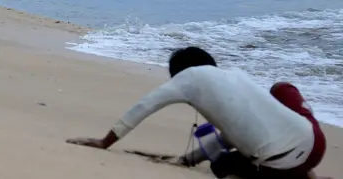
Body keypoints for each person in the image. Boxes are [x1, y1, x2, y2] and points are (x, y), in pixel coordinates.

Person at [67, 46, 328, 179]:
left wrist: (105, 141)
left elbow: (143, 107)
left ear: (177, 73)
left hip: (280, 168)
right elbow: (235, 133)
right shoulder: (236, 75)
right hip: (316, 142)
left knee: (222, 165)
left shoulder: (186, 79)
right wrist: (190, 158)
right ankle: (308, 171)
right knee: (281, 89)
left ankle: (298, 174)